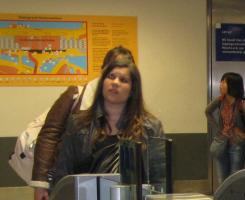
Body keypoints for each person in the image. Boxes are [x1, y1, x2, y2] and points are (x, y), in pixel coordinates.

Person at [31, 46, 134, 200]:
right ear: (103, 70)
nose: (116, 80)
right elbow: (49, 135)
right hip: (76, 181)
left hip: (117, 189)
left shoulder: (136, 113)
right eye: (112, 72)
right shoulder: (76, 95)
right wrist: (41, 184)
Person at [50, 59, 164, 187]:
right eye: (111, 77)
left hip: (134, 198)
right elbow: (63, 174)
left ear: (133, 90)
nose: (115, 82)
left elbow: (159, 179)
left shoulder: (150, 127)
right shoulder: (78, 124)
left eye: (123, 80)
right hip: (86, 197)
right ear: (102, 83)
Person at [205, 72, 245, 183]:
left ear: (232, 85)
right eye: (221, 82)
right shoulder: (220, 100)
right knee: (222, 179)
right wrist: (219, 128)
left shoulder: (242, 104)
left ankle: (235, 195)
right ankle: (224, 195)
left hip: (237, 145)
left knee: (234, 180)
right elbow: (207, 112)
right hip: (221, 144)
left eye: (224, 82)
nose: (220, 85)